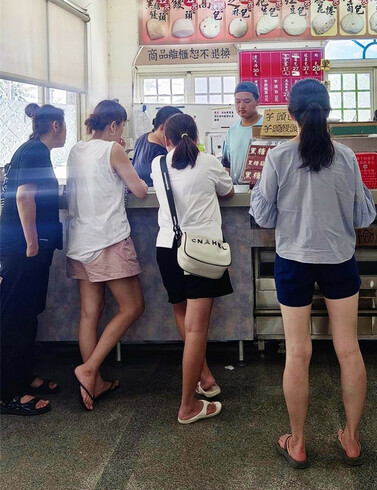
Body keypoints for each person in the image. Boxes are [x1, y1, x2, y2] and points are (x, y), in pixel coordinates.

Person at [250, 79, 376, 469]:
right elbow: (363, 215)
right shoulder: (346, 157)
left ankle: (298, 442)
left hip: (293, 259)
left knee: (297, 351)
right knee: (348, 349)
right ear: (328, 111)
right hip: (339, 258)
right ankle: (351, 440)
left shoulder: (278, 156)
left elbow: (263, 215)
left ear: (291, 114)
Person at [151, 112, 234, 424]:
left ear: (167, 139)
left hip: (167, 248)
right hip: (200, 252)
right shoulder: (209, 162)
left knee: (183, 315)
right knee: (197, 329)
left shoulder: (157, 164)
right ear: (197, 137)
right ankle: (187, 406)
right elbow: (228, 191)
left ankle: (205, 378)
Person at [66, 100, 148, 410]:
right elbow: (140, 190)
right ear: (113, 125)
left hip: (79, 240)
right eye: (122, 126)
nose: (122, 132)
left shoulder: (76, 149)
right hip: (108, 239)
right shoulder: (112, 150)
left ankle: (94, 381)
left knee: (90, 314)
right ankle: (88, 370)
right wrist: (121, 154)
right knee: (133, 306)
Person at [0, 104, 66, 415]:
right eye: (64, 127)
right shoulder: (35, 151)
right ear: (55, 125)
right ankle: (7, 393)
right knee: (14, 317)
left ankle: (24, 377)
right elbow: (24, 196)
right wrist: (30, 243)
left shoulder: (34, 150)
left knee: (27, 315)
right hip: (22, 247)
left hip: (29, 245)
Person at [222, 82, 263, 183]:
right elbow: (227, 165)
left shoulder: (267, 126)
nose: (241, 106)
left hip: (263, 188)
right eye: (237, 101)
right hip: (237, 188)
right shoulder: (231, 130)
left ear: (257, 102)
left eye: (247, 101)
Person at [132, 105, 181, 186]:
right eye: (174, 131)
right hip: (152, 192)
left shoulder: (142, 138)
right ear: (162, 128)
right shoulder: (161, 156)